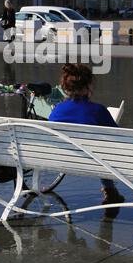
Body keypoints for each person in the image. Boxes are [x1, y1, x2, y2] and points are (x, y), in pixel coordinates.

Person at [49, 64, 124, 206]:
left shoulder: (57, 110)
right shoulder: (98, 110)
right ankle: (110, 190)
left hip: (61, 159)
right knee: (103, 149)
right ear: (88, 86)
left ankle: (111, 191)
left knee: (98, 148)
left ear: (66, 87)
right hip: (93, 161)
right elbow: (119, 138)